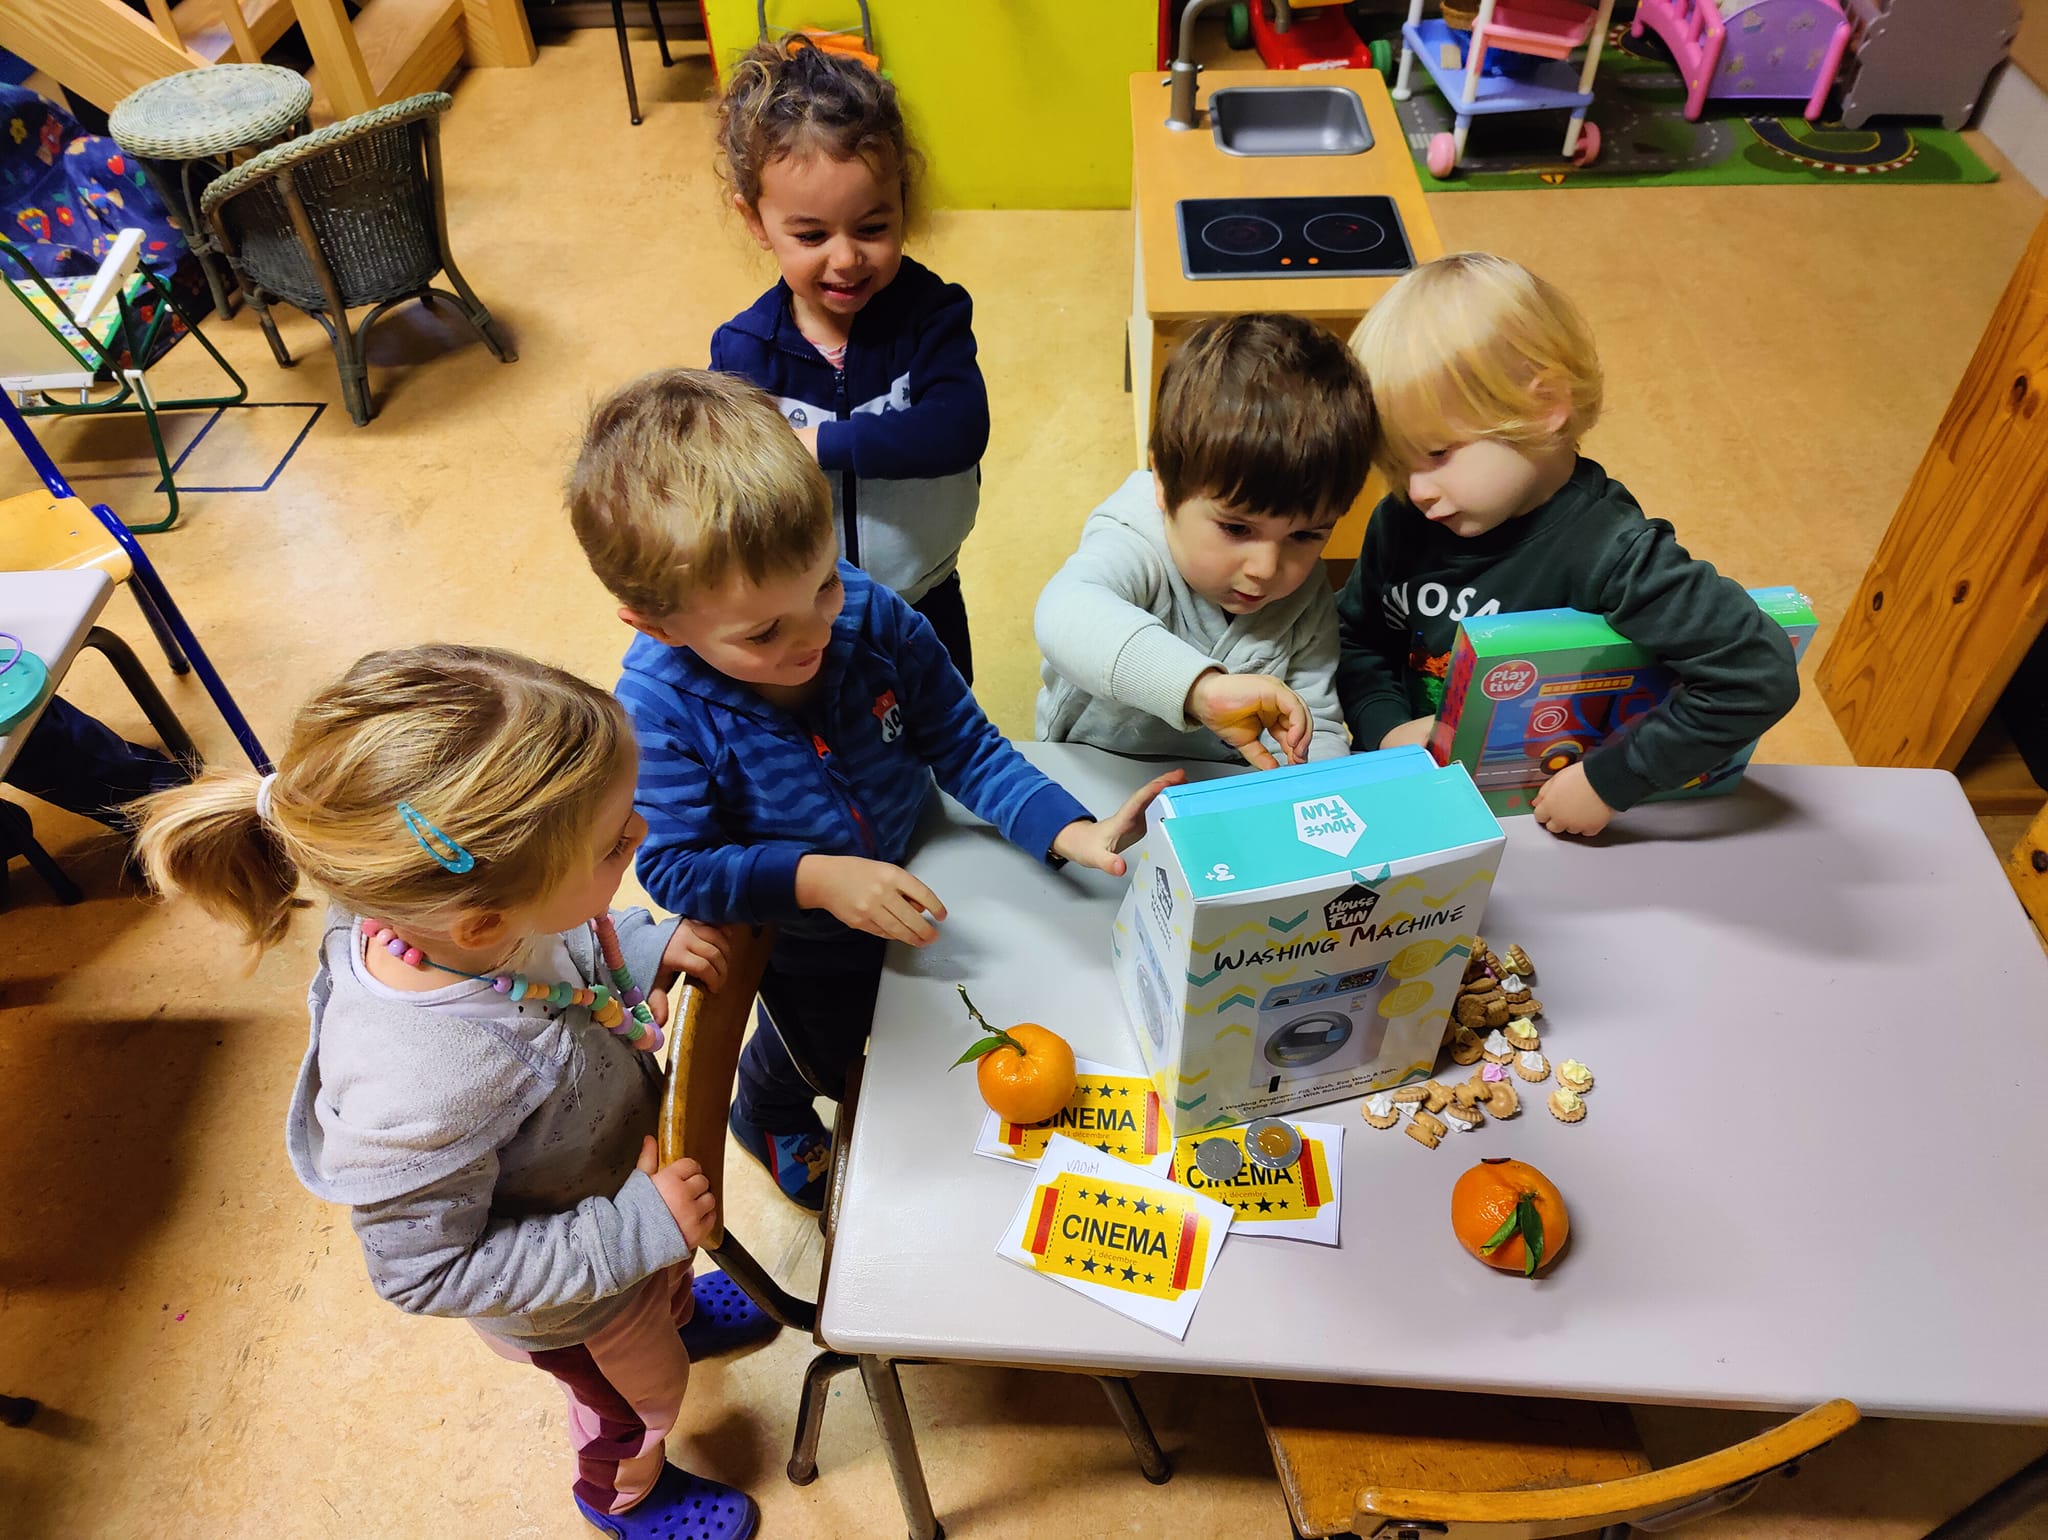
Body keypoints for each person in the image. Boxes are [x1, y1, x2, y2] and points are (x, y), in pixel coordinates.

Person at [132, 645, 771, 1540]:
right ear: (480, 922)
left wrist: (632, 939)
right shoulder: (424, 1090)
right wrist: (635, 1231)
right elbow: (426, 1269)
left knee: (661, 1280)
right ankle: (622, 1494)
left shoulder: (441, 912)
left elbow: (551, 944)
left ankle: (672, 1307)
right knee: (635, 1405)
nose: (641, 834)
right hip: (576, 1305)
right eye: (615, 845)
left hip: (617, 1198)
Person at [569, 369, 1178, 1211]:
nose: (822, 629)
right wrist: (815, 878)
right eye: (764, 631)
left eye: (825, 581)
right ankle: (767, 1111)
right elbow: (676, 869)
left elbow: (961, 741)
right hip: (805, 944)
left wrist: (1066, 829)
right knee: (823, 1055)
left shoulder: (866, 609)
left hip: (919, 875)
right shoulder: (657, 713)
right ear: (657, 625)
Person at [1336, 252, 1799, 836]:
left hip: (1545, 810)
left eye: (1436, 453)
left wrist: (1611, 780)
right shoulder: (1402, 520)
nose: (1417, 490)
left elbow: (1756, 674)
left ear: (1543, 406)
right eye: (1396, 464)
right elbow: (1353, 634)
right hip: (1416, 791)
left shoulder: (1615, 553)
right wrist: (1384, 726)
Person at [709, 38, 985, 681]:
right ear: (755, 222)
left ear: (902, 203)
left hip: (927, 591)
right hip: (810, 615)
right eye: (811, 235)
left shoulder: (933, 314)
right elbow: (734, 492)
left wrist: (819, 444)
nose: (845, 259)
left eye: (871, 228)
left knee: (947, 719)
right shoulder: (742, 349)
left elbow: (958, 429)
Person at [1034, 312, 1372, 767]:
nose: (1266, 569)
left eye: (1305, 535)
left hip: (1219, 783)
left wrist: (1313, 784)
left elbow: (1317, 724)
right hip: (1093, 764)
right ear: (1162, 482)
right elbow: (1065, 613)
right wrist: (1199, 689)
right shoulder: (1135, 541)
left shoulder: (1306, 593)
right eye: (1237, 528)